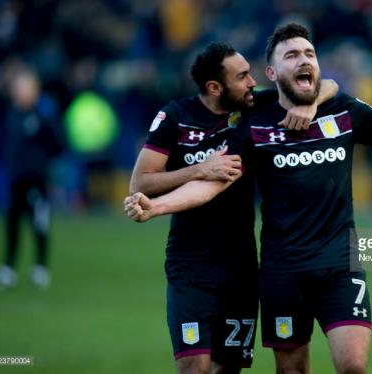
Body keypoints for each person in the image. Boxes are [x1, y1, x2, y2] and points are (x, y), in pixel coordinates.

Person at [124, 24, 372, 374]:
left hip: (338, 265)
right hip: (281, 272)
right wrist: (157, 206)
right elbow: (212, 184)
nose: (304, 60)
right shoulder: (253, 121)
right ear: (272, 74)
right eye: (292, 55)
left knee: (353, 365)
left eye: (309, 53)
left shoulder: (343, 110)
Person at [127, 42, 338, 374]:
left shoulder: (257, 107)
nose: (252, 82)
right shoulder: (176, 117)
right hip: (190, 264)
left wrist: (309, 108)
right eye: (242, 76)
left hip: (241, 266)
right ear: (215, 87)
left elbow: (329, 86)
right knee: (194, 367)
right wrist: (199, 170)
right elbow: (140, 183)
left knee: (228, 368)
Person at [0, 68, 63, 291]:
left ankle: (40, 267)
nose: (21, 92)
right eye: (18, 87)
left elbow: (58, 144)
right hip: (15, 180)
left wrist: (39, 163)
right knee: (12, 223)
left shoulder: (43, 118)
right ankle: (8, 268)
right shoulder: (10, 116)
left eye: (26, 87)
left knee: (39, 223)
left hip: (37, 181)